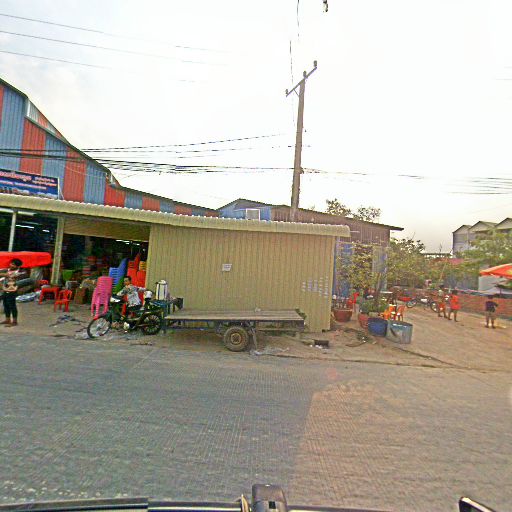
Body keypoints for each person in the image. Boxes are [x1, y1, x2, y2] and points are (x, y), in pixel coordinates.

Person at [0, 258, 24, 327]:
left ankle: (14, 321)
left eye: (13, 264)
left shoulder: (18, 272)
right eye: (11, 263)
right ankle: (7, 319)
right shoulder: (8, 270)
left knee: (12, 306)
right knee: (6, 305)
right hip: (5, 289)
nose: (11, 265)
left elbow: (8, 275)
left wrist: (4, 274)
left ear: (18, 266)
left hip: (12, 291)